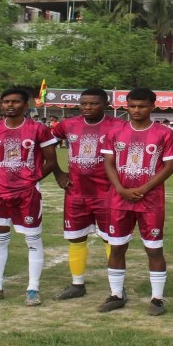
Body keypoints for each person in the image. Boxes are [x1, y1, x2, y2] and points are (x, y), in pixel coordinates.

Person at [98, 89, 173, 315]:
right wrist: (120, 188)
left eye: (142, 106)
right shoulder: (115, 132)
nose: (136, 110)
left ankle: (157, 299)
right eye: (132, 106)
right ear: (126, 106)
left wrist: (144, 188)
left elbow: (170, 167)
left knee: (153, 249)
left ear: (152, 106)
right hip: (119, 199)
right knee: (116, 247)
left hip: (151, 201)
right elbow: (108, 163)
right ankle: (116, 294)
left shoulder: (164, 133)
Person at [0, 88, 59, 307]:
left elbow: (51, 161)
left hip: (28, 193)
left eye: (15, 102)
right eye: (6, 102)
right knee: (0, 239)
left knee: (32, 239)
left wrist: (30, 179)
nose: (10, 105)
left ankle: (33, 288)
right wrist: (1, 178)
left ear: (25, 106)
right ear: (1, 104)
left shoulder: (38, 129)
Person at [49, 88, 121, 300]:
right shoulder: (68, 125)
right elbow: (46, 145)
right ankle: (77, 284)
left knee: (112, 240)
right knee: (76, 238)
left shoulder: (118, 125)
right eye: (84, 104)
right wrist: (58, 172)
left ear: (106, 105)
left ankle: (116, 287)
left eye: (93, 104)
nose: (87, 108)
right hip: (76, 191)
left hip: (107, 192)